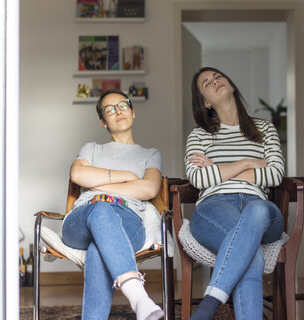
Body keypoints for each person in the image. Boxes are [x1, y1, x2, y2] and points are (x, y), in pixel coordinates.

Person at [185, 67, 285, 320]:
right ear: (206, 102)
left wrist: (219, 170)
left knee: (258, 209)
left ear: (230, 83)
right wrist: (246, 163)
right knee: (248, 251)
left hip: (259, 209)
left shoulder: (266, 129)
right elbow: (198, 178)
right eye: (207, 83)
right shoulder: (199, 135)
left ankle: (209, 303)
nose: (215, 81)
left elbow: (275, 174)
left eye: (217, 77)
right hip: (214, 206)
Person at [62, 89, 164, 320]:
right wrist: (127, 176)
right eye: (109, 110)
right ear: (103, 122)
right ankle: (137, 295)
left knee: (99, 248)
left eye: (122, 105)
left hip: (127, 221)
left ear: (133, 112)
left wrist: (98, 185)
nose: (117, 111)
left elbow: (149, 189)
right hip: (83, 218)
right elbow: (77, 174)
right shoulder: (92, 148)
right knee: (100, 209)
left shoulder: (150, 154)